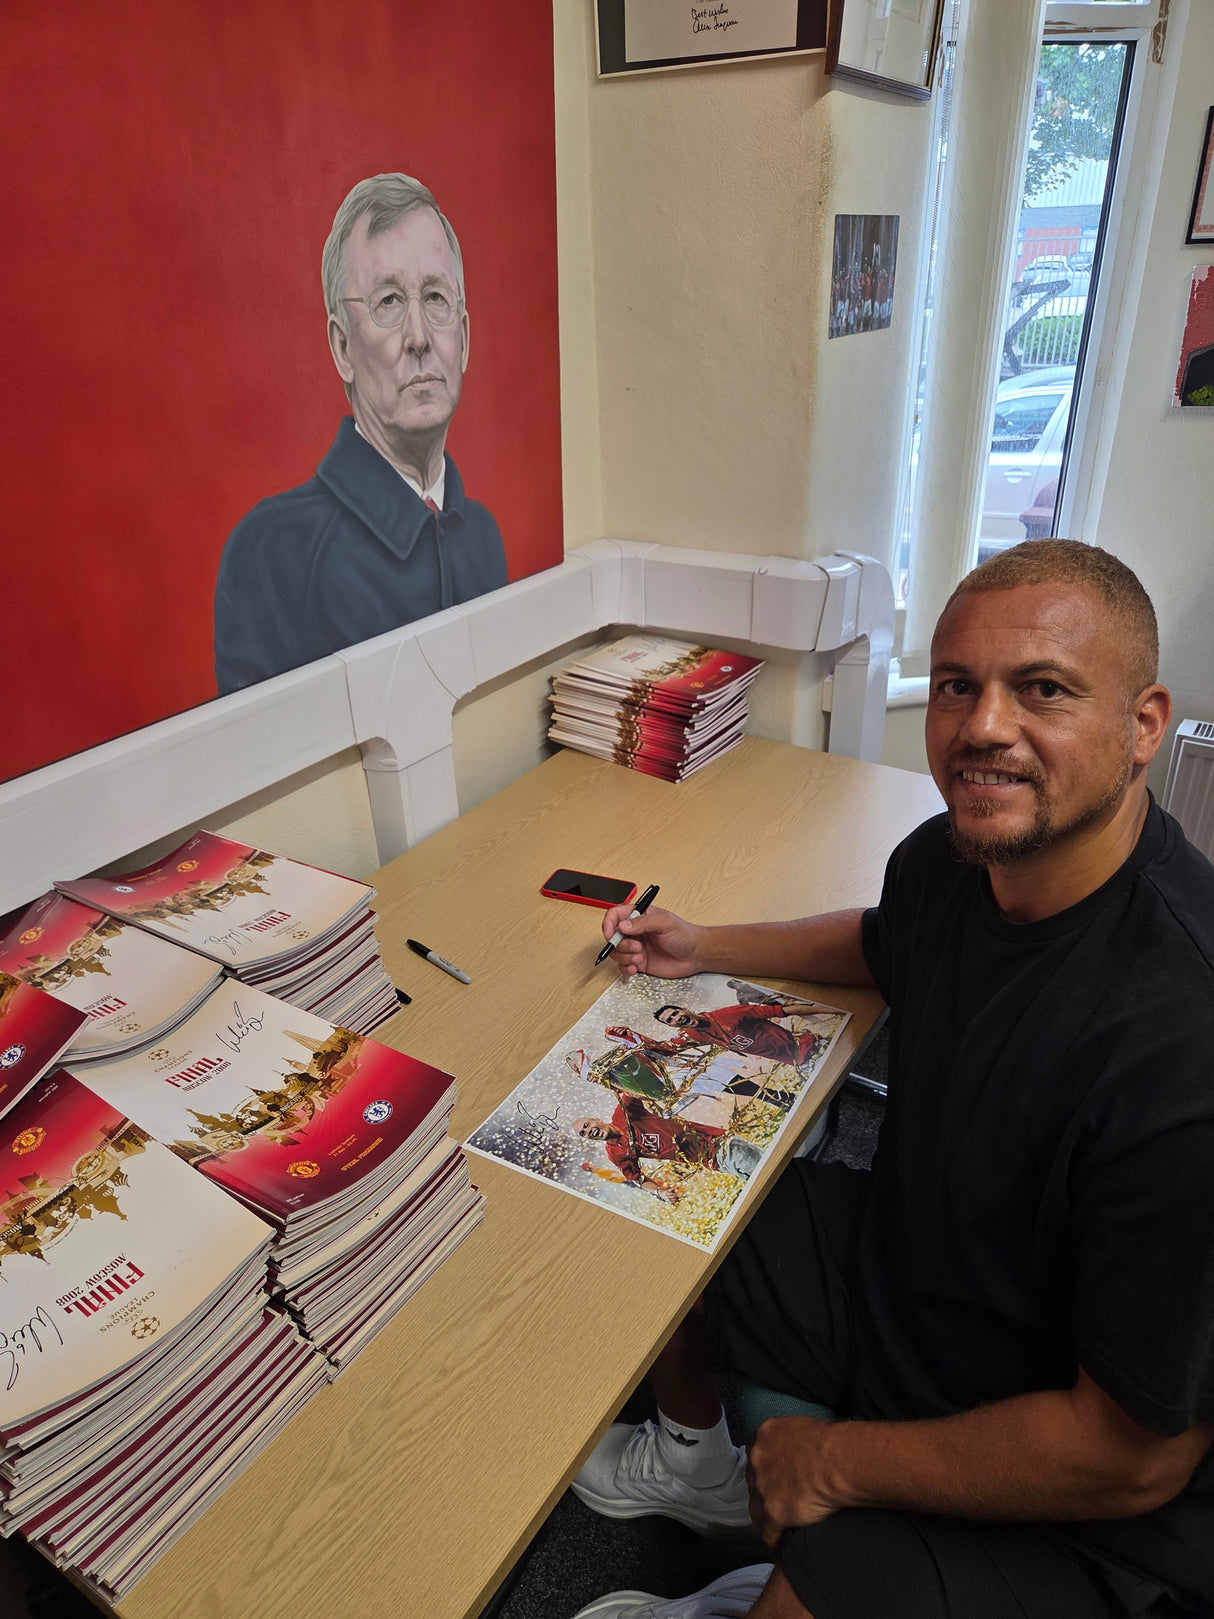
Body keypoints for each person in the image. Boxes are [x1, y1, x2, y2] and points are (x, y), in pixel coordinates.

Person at [570, 540, 1214, 1619]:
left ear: (1141, 723)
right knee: (660, 1179)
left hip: (1102, 1510)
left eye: (1041, 689)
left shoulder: (1180, 1040)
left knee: (809, 1599)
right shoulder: (956, 858)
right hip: (932, 1287)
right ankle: (697, 1464)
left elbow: (1130, 1456)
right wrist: (707, 940)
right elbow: (886, 939)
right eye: (957, 685)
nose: (983, 726)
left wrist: (837, 1461)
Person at [213, 173, 507, 695]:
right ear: (343, 348)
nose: (419, 337)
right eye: (389, 301)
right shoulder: (273, 552)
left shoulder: (483, 538)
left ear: (463, 338)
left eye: (436, 297)